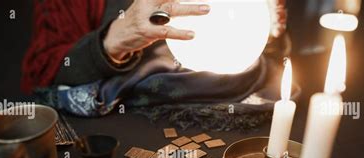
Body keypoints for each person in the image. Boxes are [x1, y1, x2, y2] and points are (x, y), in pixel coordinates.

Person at [21, 0, 294, 131]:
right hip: (122, 128)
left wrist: (267, 29)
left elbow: (262, 46)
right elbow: (47, 71)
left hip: (233, 117)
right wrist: (114, 40)